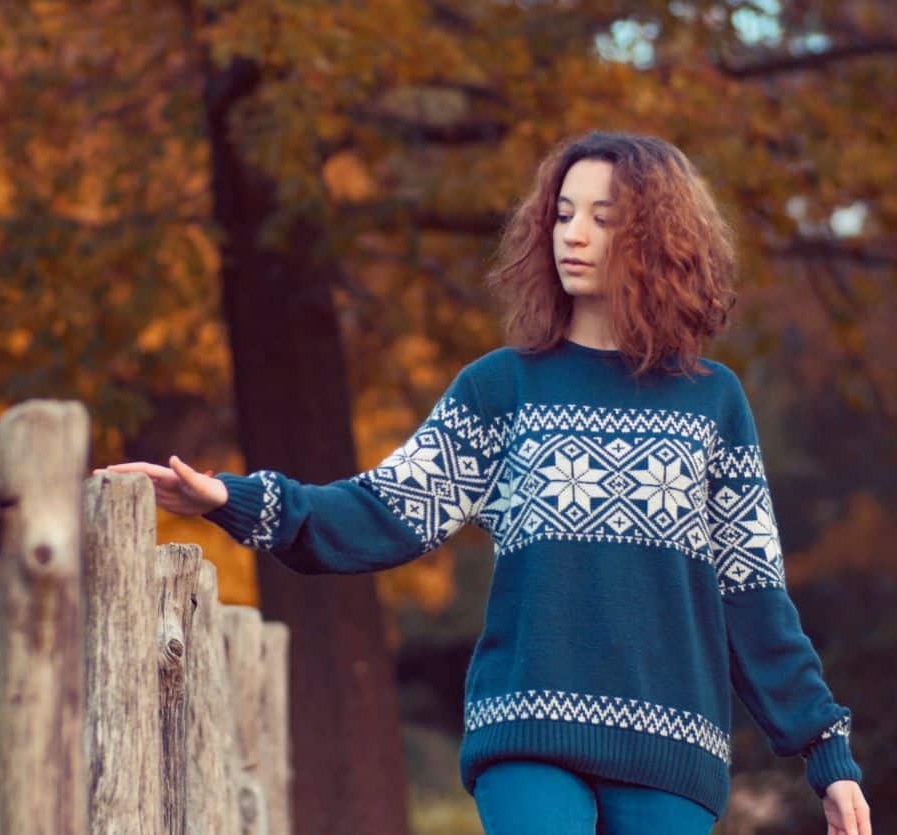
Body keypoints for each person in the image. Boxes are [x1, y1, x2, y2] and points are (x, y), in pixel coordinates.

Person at [104, 131, 872, 835]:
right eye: (563, 213)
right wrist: (231, 500)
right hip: (527, 726)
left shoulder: (713, 402)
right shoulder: (502, 389)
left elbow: (753, 594)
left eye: (604, 218)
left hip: (670, 741)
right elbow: (384, 510)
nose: (573, 233)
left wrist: (825, 754)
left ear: (659, 239)